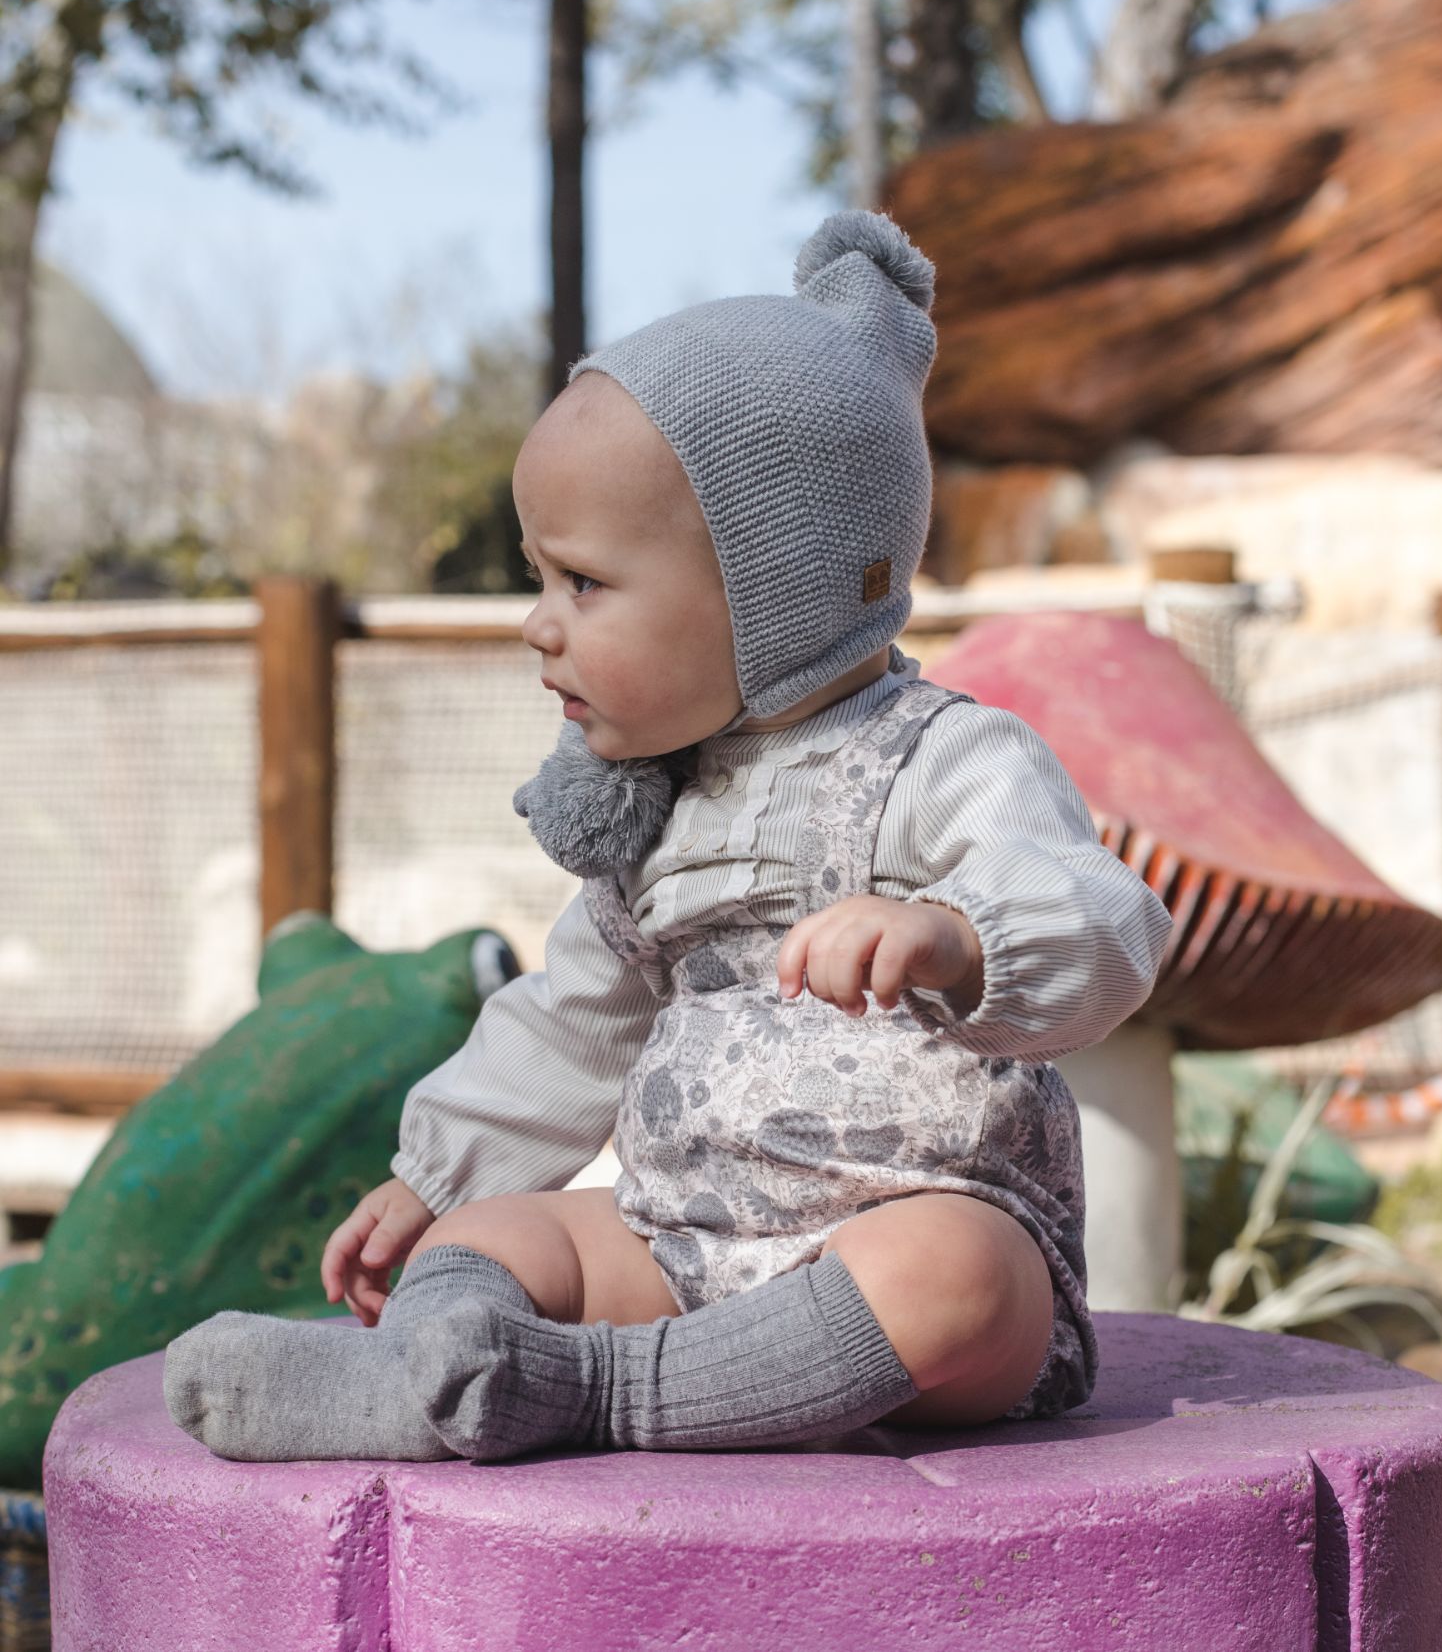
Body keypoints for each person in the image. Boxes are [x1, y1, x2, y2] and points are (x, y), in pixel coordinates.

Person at [164, 210, 1172, 1464]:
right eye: (540, 579)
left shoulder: (945, 761)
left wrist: (955, 937)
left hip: (905, 1252)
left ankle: (590, 1393)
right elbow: (572, 1022)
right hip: (683, 1245)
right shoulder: (656, 808)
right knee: (495, 1242)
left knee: (958, 1277)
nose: (538, 623)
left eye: (581, 583)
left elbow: (1103, 918)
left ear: (776, 592)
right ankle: (425, 1376)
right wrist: (437, 1178)